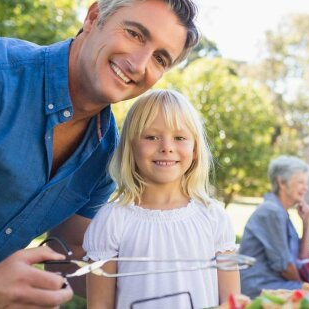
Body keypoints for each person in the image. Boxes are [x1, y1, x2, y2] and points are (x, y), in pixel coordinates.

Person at [0, 0, 199, 307]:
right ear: (93, 18)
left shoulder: (105, 155)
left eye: (161, 58)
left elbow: (68, 255)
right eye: (134, 34)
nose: (139, 64)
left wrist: (176, 276)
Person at [83, 89, 239, 308]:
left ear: (195, 149)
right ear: (131, 147)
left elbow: (232, 302)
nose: (167, 147)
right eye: (151, 137)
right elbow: (99, 305)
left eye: (179, 138)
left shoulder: (214, 217)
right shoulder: (112, 220)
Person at [239, 156, 309, 297]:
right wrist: (306, 287)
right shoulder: (271, 212)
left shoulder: (280, 212)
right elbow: (285, 267)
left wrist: (306, 223)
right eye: (300, 182)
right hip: (260, 287)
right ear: (281, 182)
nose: (306, 188)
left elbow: (303, 257)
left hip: (275, 283)